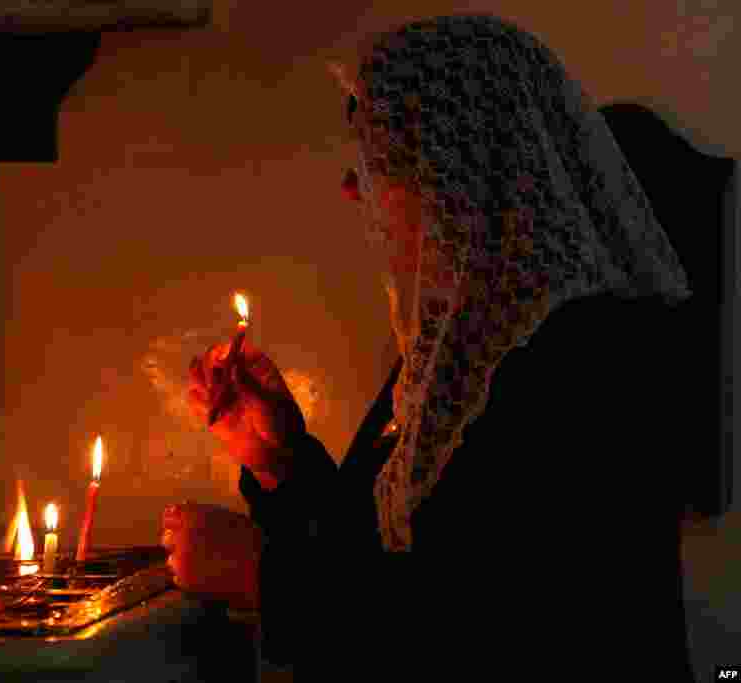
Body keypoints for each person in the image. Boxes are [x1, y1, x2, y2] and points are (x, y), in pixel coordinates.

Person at [161, 14, 697, 680]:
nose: (352, 188)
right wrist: (281, 460)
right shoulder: (465, 341)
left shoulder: (582, 361)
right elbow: (388, 551)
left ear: (462, 170)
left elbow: (478, 629)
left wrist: (261, 578)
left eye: (378, 160)